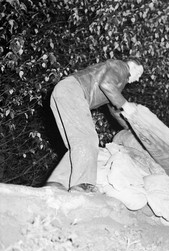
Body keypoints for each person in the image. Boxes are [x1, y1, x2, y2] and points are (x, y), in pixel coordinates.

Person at [46, 59, 144, 193]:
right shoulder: (121, 68)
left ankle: (57, 183)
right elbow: (107, 85)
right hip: (73, 91)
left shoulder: (115, 84)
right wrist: (126, 105)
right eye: (139, 72)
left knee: (79, 144)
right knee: (88, 139)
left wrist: (130, 127)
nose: (138, 78)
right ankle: (83, 184)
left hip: (63, 92)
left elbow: (115, 110)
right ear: (132, 65)